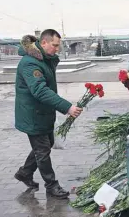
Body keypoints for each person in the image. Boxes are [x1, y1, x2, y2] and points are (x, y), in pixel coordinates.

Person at [14, 29, 83, 199]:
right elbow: (40, 90)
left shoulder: (44, 59)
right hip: (32, 115)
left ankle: (25, 172)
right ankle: (52, 186)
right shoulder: (30, 63)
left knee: (46, 144)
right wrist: (67, 107)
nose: (57, 49)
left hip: (42, 113)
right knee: (43, 150)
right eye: (55, 45)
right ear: (43, 43)